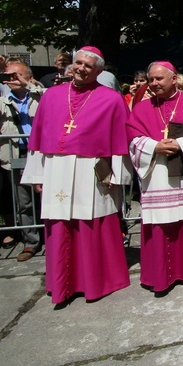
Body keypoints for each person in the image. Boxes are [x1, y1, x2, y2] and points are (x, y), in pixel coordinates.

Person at [21, 47, 132, 304]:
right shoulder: (51, 95)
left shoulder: (111, 99)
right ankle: (63, 283)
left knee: (92, 223)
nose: (81, 68)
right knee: (60, 225)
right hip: (56, 168)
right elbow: (39, 135)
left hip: (91, 169)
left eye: (88, 66)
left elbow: (120, 139)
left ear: (99, 71)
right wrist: (38, 173)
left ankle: (97, 281)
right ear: (72, 64)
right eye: (79, 63)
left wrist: (117, 176)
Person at [127, 61, 183, 293]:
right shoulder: (141, 108)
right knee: (161, 224)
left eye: (159, 79)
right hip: (157, 174)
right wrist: (154, 147)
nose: (153, 84)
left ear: (173, 79)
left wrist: (181, 144)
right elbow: (133, 137)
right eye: (151, 80)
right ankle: (161, 275)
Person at [1, 61, 44, 261]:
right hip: (17, 154)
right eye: (9, 76)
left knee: (47, 198)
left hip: (42, 153)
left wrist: (28, 85)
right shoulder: (2, 101)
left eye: (16, 75)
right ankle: (31, 242)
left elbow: (51, 97)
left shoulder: (41, 96)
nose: (12, 80)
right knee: (24, 202)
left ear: (28, 76)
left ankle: (53, 238)